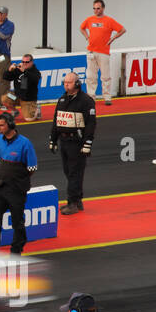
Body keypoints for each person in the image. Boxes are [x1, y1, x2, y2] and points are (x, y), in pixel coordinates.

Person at [0, 112, 37, 255]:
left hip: (17, 189)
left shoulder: (25, 143)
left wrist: (18, 180)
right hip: (1, 187)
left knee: (17, 222)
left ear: (10, 125)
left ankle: (16, 250)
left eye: (1, 125)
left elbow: (32, 168)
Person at [49, 72, 97, 215]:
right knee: (68, 172)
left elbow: (91, 124)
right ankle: (77, 200)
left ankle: (72, 202)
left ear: (77, 84)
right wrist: (53, 139)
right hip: (64, 141)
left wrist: (87, 143)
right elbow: (56, 120)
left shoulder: (86, 101)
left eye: (69, 82)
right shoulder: (62, 99)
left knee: (75, 173)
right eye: (65, 82)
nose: (66, 85)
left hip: (77, 142)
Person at [80, 0, 126, 105]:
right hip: (91, 51)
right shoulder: (89, 19)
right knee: (91, 76)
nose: (96, 10)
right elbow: (82, 28)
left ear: (103, 8)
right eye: (94, 8)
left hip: (104, 52)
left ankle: (107, 97)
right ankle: (91, 97)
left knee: (105, 76)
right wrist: (87, 37)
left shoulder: (109, 20)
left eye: (98, 8)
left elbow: (122, 30)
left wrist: (113, 38)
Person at [2, 53, 43, 122]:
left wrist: (24, 71)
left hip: (27, 100)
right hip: (17, 97)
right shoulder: (18, 69)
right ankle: (14, 111)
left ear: (32, 62)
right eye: (23, 62)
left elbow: (34, 79)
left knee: (29, 119)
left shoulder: (35, 72)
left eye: (27, 62)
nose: (24, 63)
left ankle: (36, 109)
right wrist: (9, 70)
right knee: (5, 98)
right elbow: (6, 77)